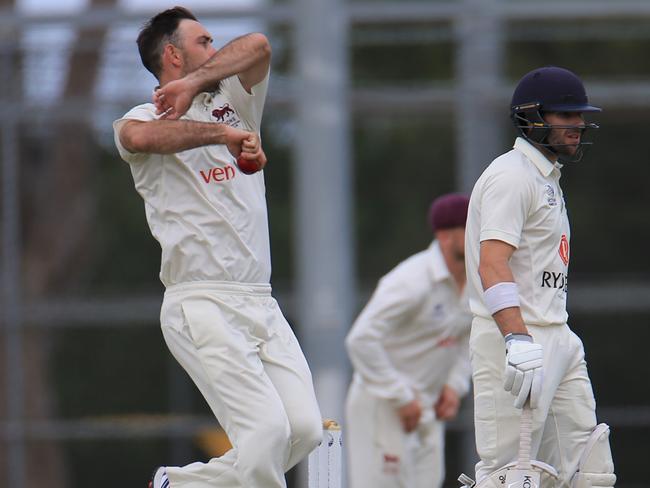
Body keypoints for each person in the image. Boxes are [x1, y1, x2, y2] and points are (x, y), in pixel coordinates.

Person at [112, 7, 322, 488]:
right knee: (266, 434)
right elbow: (144, 138)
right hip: (200, 300)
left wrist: (195, 87)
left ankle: (178, 485)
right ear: (172, 55)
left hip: (259, 300)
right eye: (204, 42)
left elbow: (259, 45)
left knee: (304, 430)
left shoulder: (233, 99)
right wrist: (222, 134)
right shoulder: (137, 120)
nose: (216, 49)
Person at [463, 66, 616, 488]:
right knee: (511, 476)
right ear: (533, 117)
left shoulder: (545, 177)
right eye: (566, 116)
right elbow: (492, 262)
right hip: (516, 343)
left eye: (579, 116)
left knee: (591, 471)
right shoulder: (511, 176)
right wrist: (516, 340)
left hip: (558, 337)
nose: (577, 125)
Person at [345, 193, 473, 488]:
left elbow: (469, 339)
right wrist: (401, 396)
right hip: (383, 405)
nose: (479, 234)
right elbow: (361, 339)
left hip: (427, 408)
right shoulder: (411, 281)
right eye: (470, 227)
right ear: (444, 236)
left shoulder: (476, 282)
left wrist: (455, 385)